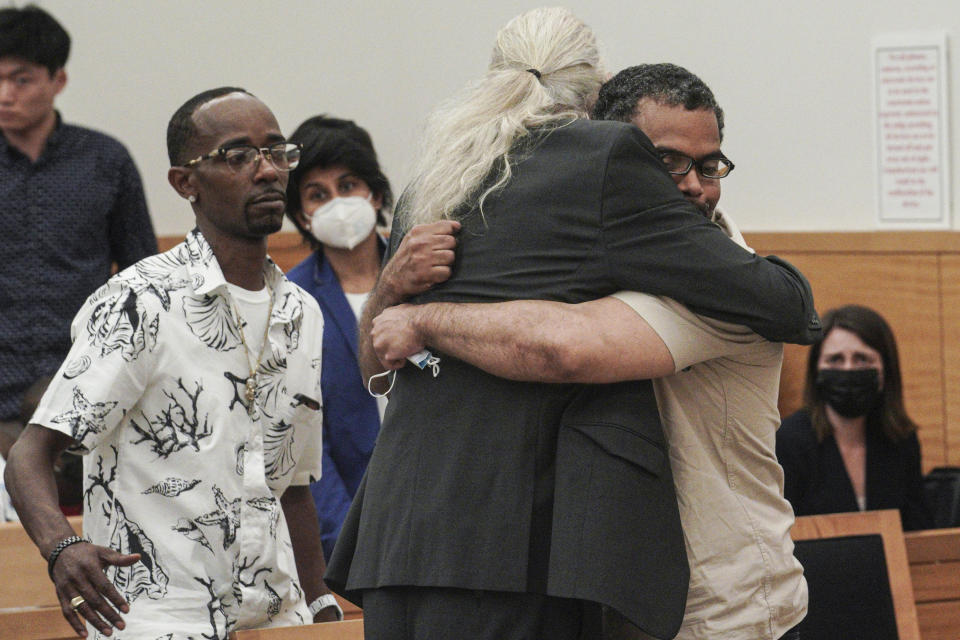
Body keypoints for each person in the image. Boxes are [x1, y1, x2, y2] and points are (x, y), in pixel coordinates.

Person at [326, 9, 820, 640]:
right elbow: (565, 348)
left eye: (709, 167)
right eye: (663, 163)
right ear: (594, 101)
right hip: (506, 545)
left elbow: (378, 366)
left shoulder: (438, 172)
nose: (689, 187)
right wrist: (414, 313)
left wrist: (402, 302)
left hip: (398, 534)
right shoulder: (600, 160)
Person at [4, 87, 342, 639]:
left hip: (277, 618)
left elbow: (294, 485)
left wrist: (321, 596)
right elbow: (29, 455)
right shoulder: (140, 302)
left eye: (276, 152)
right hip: (159, 619)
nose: (266, 171)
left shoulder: (302, 311)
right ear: (185, 182)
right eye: (237, 156)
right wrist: (62, 547)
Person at [0, 5, 157, 443]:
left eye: (21, 79)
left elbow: (143, 279)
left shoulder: (105, 161)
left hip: (90, 391)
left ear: (59, 80)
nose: (4, 94)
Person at [284, 115, 393, 561]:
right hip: (352, 530)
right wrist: (350, 546)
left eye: (347, 186)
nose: (337, 204)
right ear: (300, 216)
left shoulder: (428, 277)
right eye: (317, 194)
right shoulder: (289, 302)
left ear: (376, 194)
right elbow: (307, 449)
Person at [777, 304, 932, 531]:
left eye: (862, 359)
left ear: (885, 371)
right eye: (835, 360)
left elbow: (919, 532)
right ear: (817, 370)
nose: (848, 369)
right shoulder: (789, 441)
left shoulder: (901, 441)